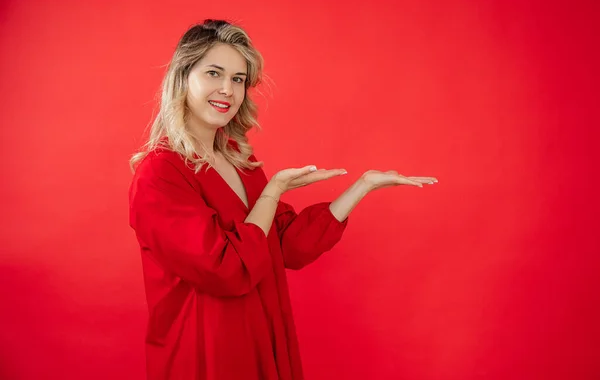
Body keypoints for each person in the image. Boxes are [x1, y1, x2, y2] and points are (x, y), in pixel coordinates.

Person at [128, 19, 437, 380]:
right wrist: (273, 191)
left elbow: (285, 247)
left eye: (238, 79)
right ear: (183, 78)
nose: (227, 89)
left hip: (263, 341)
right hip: (208, 356)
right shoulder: (160, 174)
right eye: (214, 73)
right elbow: (225, 270)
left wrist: (361, 187)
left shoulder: (238, 161)